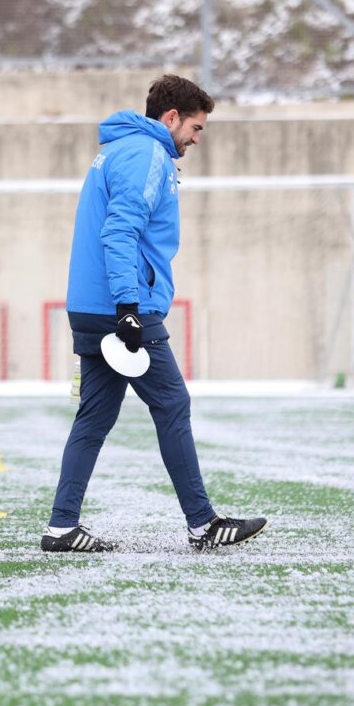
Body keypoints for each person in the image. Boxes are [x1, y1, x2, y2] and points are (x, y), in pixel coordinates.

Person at [42, 74, 269, 553]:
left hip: (91, 305)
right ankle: (203, 523)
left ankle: (61, 528)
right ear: (171, 118)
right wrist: (128, 308)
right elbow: (119, 233)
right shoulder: (148, 154)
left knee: (94, 418)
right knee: (172, 404)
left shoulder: (119, 149)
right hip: (121, 307)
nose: (196, 139)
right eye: (196, 128)